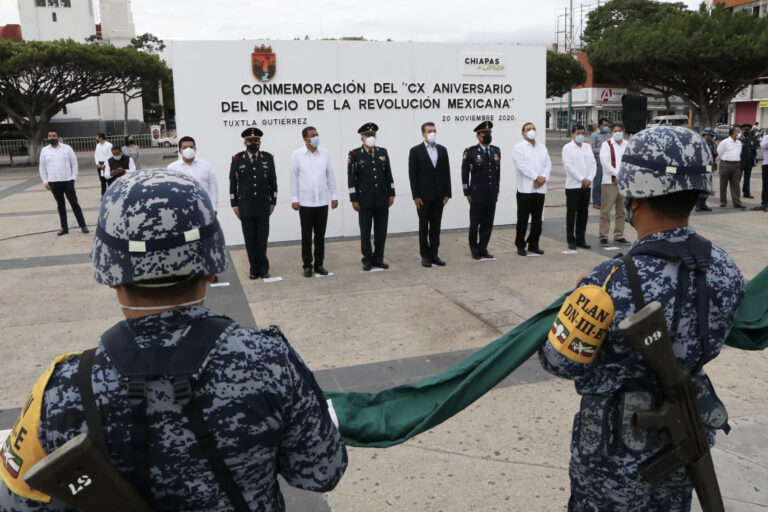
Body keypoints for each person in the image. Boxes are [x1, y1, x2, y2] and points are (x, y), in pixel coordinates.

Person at [0, 170, 347, 511]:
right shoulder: (270, 360)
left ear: (109, 274)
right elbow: (321, 473)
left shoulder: (62, 387)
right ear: (211, 265)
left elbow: (17, 501)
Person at [539, 126, 744, 512]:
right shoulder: (725, 268)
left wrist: (577, 303)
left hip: (614, 456)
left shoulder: (609, 281)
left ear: (634, 194)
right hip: (683, 438)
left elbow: (558, 361)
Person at [289, 126, 338, 277]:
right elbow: (293, 178)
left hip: (322, 201)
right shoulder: (297, 155)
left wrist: (334, 195)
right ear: (305, 139)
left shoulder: (325, 153)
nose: (316, 137)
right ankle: (307, 265)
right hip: (305, 202)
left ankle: (319, 264)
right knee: (306, 236)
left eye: (317, 134)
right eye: (312, 135)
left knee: (320, 236)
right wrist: (294, 199)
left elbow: (330, 175)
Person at [347, 122, 395, 271]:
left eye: (373, 135)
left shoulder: (383, 152)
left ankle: (378, 258)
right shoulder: (354, 154)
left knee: (381, 230)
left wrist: (391, 194)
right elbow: (351, 178)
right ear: (362, 138)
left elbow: (388, 175)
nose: (371, 137)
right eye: (368, 135)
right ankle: (367, 259)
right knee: (366, 230)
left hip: (382, 198)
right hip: (364, 200)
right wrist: (354, 199)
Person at [230, 128, 277, 279]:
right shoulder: (237, 159)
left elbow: (273, 182)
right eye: (250, 141)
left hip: (263, 205)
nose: (253, 143)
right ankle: (253, 269)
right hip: (245, 206)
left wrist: (273, 202)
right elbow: (233, 183)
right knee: (250, 239)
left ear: (259, 142)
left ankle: (263, 269)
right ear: (245, 142)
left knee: (262, 239)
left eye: (255, 141)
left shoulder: (268, 158)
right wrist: (234, 205)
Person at [409, 122, 451, 267]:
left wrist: (447, 193)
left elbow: (446, 172)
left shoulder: (443, 150)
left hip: (439, 196)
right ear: (423, 134)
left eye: (434, 130)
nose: (432, 133)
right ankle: (425, 256)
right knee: (423, 227)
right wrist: (416, 196)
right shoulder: (415, 151)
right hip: (423, 197)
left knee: (435, 227)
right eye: (429, 131)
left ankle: (434, 254)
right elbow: (413, 175)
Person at [38, 130, 89, 236]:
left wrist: (73, 178)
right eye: (50, 136)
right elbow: (42, 167)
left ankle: (83, 225)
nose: (52, 137)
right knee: (60, 205)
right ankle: (64, 228)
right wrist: (45, 181)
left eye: (54, 136)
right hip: (53, 182)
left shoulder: (67, 148)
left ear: (58, 137)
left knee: (74, 203)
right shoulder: (44, 150)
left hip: (67, 180)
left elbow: (74, 163)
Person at [462, 121, 501, 259]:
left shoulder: (496, 151)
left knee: (488, 223)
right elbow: (465, 173)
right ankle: (474, 250)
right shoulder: (471, 151)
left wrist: (497, 189)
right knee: (475, 223)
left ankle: (483, 248)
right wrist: (467, 192)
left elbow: (497, 173)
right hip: (477, 193)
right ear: (478, 136)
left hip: (491, 193)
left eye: (490, 133)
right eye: (486, 134)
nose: (489, 136)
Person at [512, 122, 550, 256]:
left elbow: (548, 164)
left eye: (534, 128)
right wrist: (536, 177)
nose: (531, 131)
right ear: (523, 133)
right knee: (522, 220)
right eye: (528, 129)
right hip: (525, 189)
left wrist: (543, 177)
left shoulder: (542, 147)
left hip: (540, 189)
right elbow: (521, 166)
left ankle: (534, 244)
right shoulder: (519, 147)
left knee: (537, 220)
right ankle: (520, 244)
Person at [562, 124, 596, 250]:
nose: (580, 135)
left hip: (587, 186)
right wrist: (582, 179)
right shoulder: (567, 148)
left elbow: (593, 164)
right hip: (573, 186)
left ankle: (581, 239)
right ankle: (571, 239)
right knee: (571, 213)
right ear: (572, 134)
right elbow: (569, 166)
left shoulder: (587, 147)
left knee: (583, 213)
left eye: (582, 133)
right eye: (578, 133)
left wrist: (589, 179)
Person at [598, 122, 630, 246]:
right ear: (611, 132)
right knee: (606, 210)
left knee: (621, 211)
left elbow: (630, 162)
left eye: (620, 131)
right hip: (609, 182)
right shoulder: (606, 145)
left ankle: (619, 235)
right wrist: (618, 174)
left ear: (624, 131)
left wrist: (623, 176)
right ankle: (603, 236)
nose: (617, 133)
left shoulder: (628, 145)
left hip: (623, 183)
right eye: (615, 131)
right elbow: (605, 163)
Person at [168, 136, 219, 212]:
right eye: (185, 148)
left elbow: (213, 187)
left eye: (191, 147)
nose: (188, 149)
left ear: (195, 149)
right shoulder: (172, 168)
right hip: (182, 209)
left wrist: (214, 207)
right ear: (180, 151)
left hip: (204, 208)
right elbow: (170, 190)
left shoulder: (206, 165)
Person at [716, 126, 746, 209]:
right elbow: (719, 153)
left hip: (736, 165)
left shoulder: (739, 143)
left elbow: (739, 154)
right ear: (732, 133)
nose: (739, 133)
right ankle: (723, 202)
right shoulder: (724, 142)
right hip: (725, 164)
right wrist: (724, 161)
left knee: (736, 184)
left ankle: (737, 202)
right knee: (723, 184)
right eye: (737, 132)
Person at [588, 117, 611, 209]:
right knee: (597, 181)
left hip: (607, 161)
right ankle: (596, 202)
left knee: (606, 181)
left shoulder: (609, 135)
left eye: (607, 125)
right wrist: (603, 150)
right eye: (604, 125)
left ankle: (603, 201)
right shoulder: (595, 135)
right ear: (600, 126)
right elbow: (591, 148)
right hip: (598, 161)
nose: (606, 127)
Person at [695, 128, 717, 212]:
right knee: (700, 186)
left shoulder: (713, 144)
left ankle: (703, 204)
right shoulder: (700, 143)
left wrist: (715, 153)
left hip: (710, 168)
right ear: (704, 135)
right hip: (701, 168)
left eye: (710, 135)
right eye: (706, 135)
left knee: (708, 187)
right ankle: (698, 205)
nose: (708, 137)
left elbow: (715, 155)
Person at [739, 123, 758, 199]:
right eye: (745, 130)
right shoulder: (739, 140)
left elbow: (754, 151)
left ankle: (746, 193)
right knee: (737, 178)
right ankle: (736, 193)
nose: (747, 131)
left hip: (749, 162)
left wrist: (755, 160)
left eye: (748, 130)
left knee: (747, 178)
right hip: (740, 162)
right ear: (742, 131)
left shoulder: (752, 139)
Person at [94, 133, 113, 197]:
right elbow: (96, 155)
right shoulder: (97, 145)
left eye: (97, 137)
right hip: (99, 164)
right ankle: (103, 195)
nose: (96, 138)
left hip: (107, 164)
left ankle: (111, 195)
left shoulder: (109, 145)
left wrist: (104, 164)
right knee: (102, 181)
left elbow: (110, 155)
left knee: (109, 180)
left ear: (101, 138)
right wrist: (97, 163)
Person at [755, 131, 768, 211]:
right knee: (766, 184)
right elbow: (763, 146)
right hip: (767, 164)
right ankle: (764, 202)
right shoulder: (766, 137)